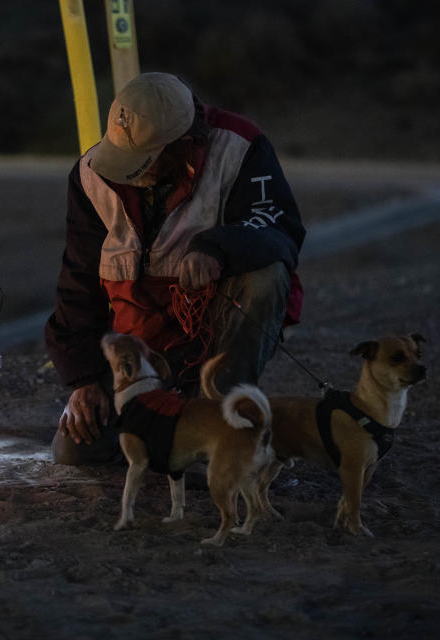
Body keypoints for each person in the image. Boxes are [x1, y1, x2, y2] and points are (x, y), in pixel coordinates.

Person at [45, 72, 305, 465]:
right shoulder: (92, 176)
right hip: (140, 352)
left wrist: (215, 248)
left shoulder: (240, 149)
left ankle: (219, 419)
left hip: (207, 343)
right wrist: (83, 380)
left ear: (182, 145)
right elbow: (78, 281)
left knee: (267, 275)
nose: (124, 173)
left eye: (139, 163)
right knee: (75, 450)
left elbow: (279, 231)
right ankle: (164, 431)